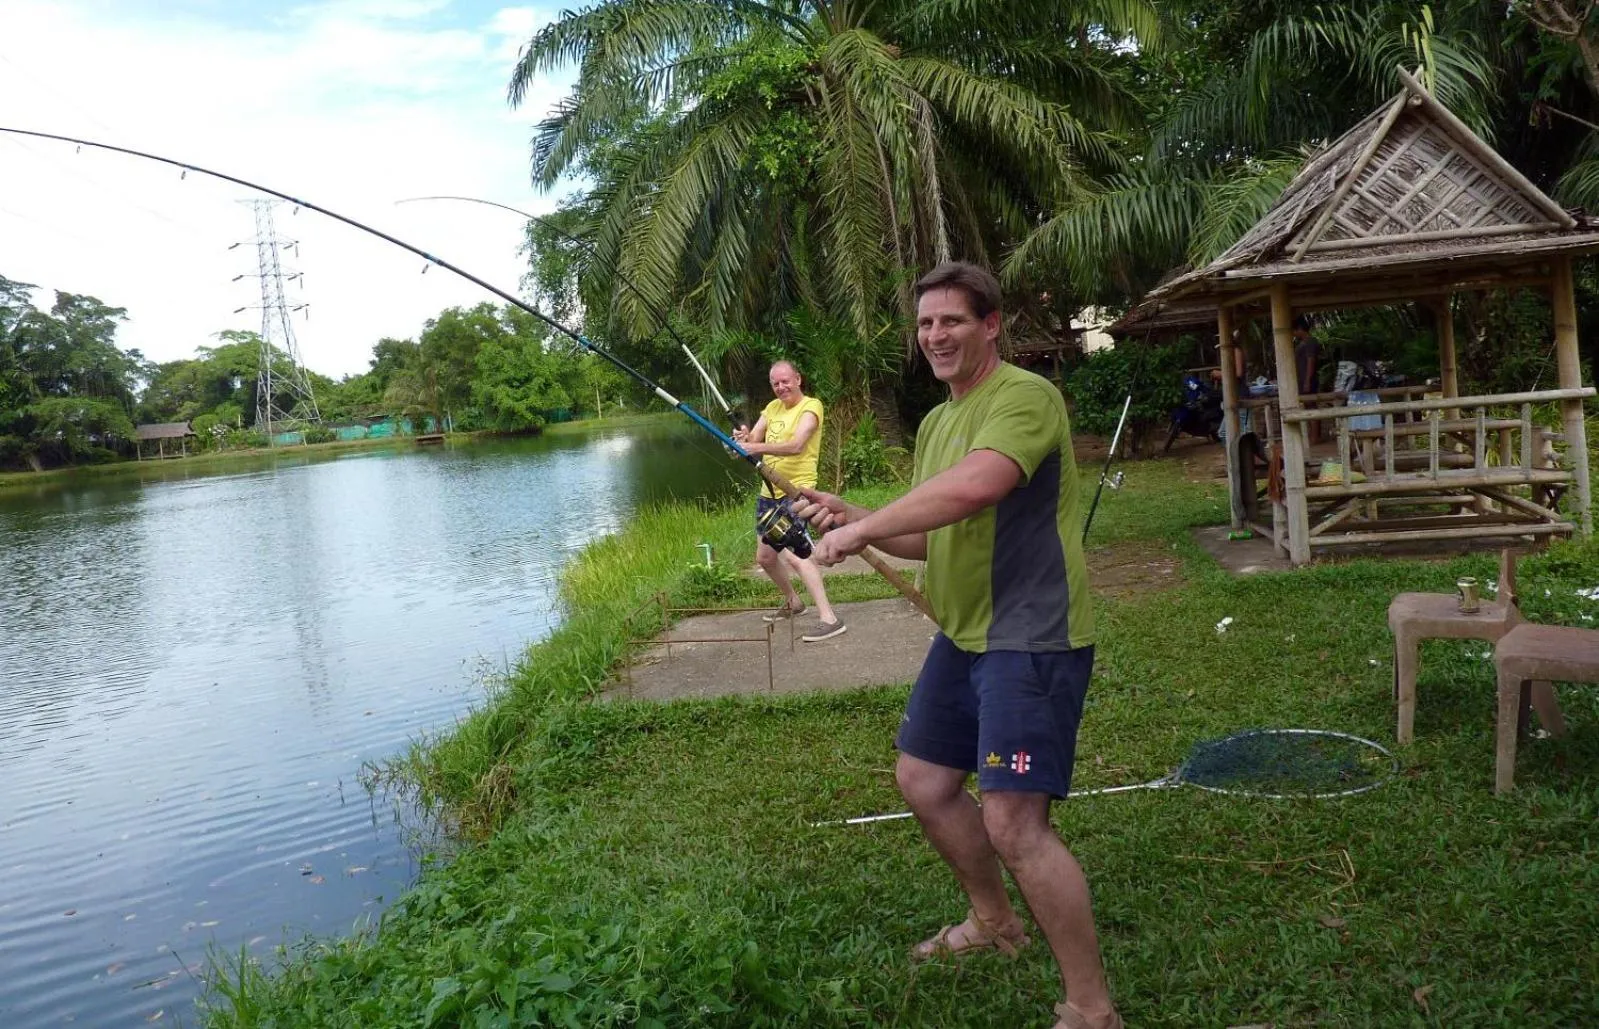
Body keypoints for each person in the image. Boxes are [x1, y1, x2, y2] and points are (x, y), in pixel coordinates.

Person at [791, 262, 1121, 1029]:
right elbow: (927, 532)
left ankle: (1090, 1007)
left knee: (1014, 822)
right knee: (924, 780)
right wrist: (859, 517)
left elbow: (979, 485)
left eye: (952, 321)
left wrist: (861, 528)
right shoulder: (937, 422)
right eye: (925, 324)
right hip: (964, 635)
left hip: (1030, 634)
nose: (935, 335)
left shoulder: (1026, 398)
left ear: (991, 324)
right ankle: (995, 922)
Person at [733, 360, 846, 643]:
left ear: (798, 378)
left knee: (798, 556)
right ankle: (794, 602)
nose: (781, 387)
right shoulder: (771, 409)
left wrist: (753, 446)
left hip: (797, 493)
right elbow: (752, 440)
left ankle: (829, 619)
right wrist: (741, 440)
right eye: (775, 384)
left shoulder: (811, 406)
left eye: (785, 381)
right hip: (768, 493)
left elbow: (796, 446)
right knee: (766, 557)